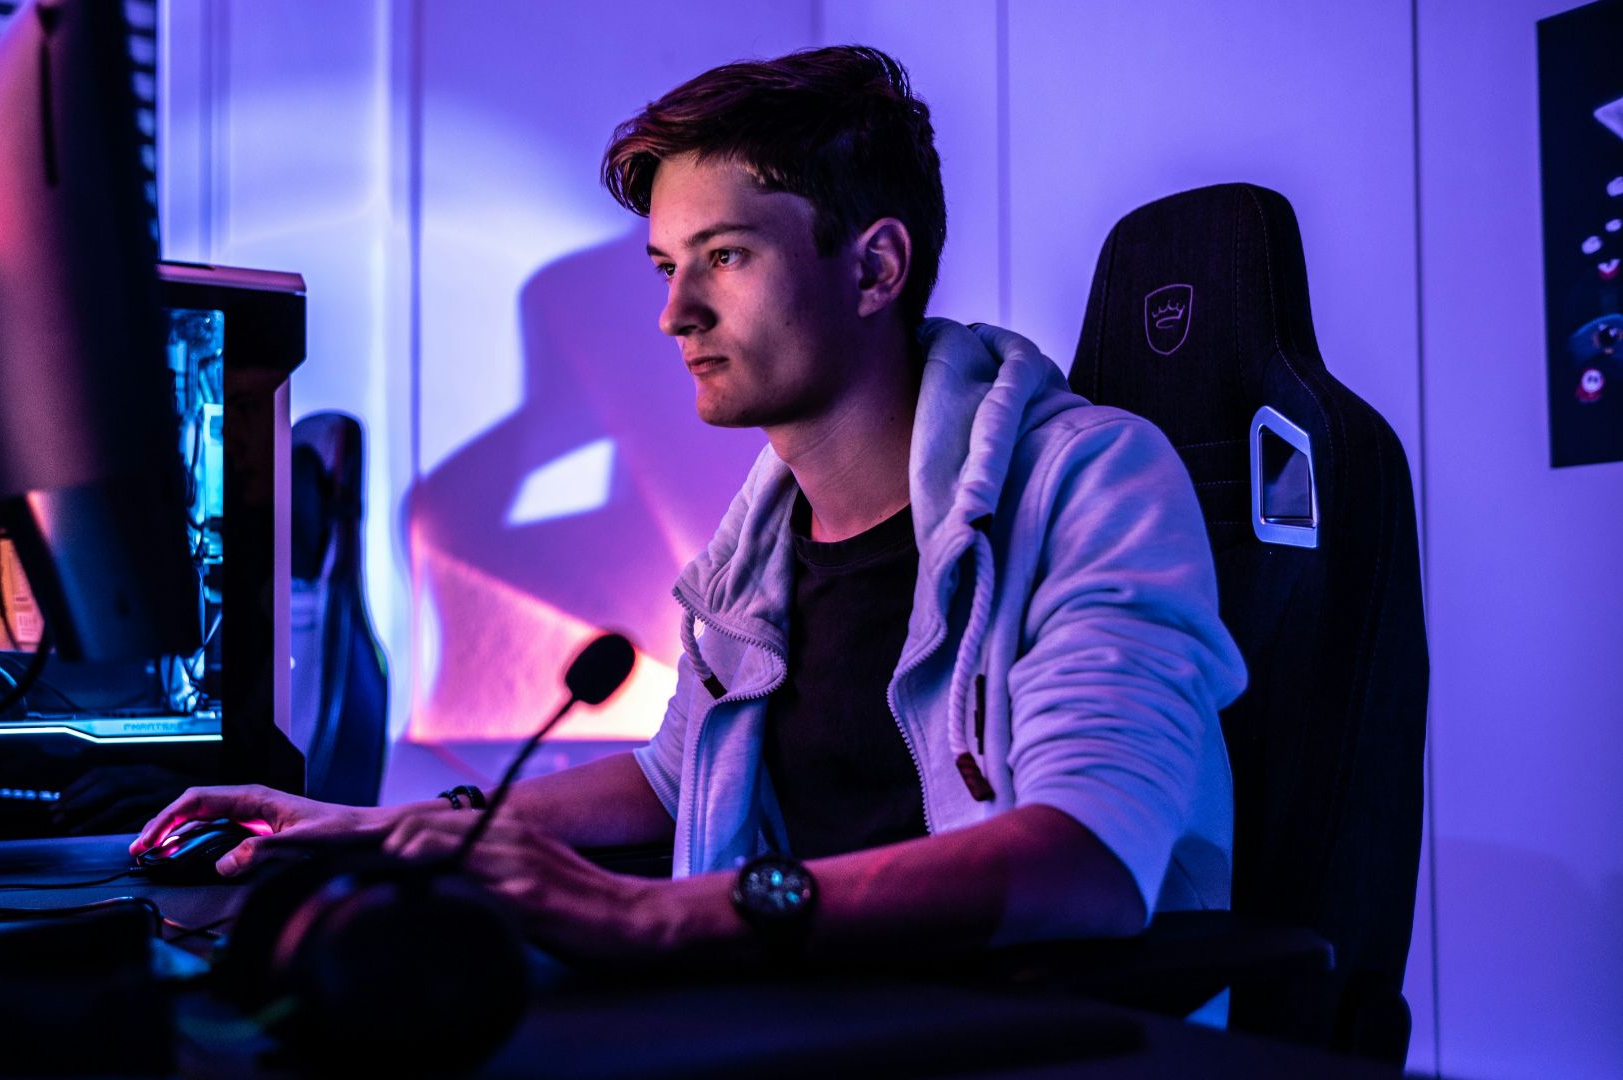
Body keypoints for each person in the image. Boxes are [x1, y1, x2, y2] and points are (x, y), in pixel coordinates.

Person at [131, 45, 1246, 970]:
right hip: (813, 1009)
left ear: (874, 271)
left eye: (724, 257)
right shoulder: (755, 548)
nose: (675, 314)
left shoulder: (1088, 483)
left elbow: (1083, 859)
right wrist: (386, 835)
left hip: (1028, 1031)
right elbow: (676, 778)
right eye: (667, 264)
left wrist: (646, 915)